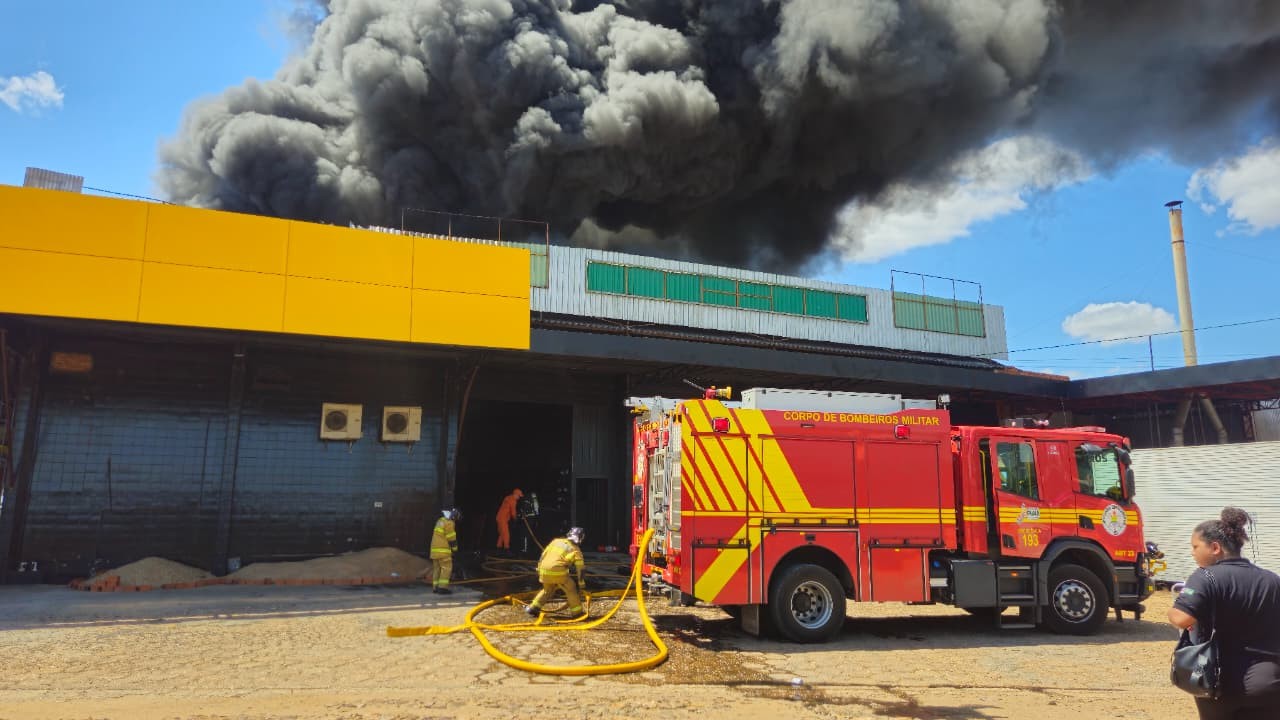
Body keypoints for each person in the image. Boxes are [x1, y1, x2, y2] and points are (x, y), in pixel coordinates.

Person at [1168, 507, 1280, 719]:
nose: (1192, 552)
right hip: (1269, 682)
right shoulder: (1271, 579)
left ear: (1215, 547)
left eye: (1195, 546)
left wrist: (1171, 610)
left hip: (1220, 683)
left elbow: (1182, 618)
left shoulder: (1206, 577)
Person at [525, 526, 586, 617]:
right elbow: (580, 569)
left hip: (543, 570)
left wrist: (539, 568)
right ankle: (577, 613)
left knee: (547, 590)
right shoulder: (576, 550)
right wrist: (581, 584)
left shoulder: (556, 541)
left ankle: (533, 608)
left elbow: (543, 555)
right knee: (571, 588)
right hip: (558, 571)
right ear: (580, 539)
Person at [429, 507, 459, 594]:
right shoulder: (449, 523)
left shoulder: (440, 521)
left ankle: (435, 588)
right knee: (447, 568)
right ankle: (442, 588)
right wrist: (455, 549)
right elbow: (451, 538)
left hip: (434, 551)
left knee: (437, 569)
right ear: (454, 517)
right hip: (443, 552)